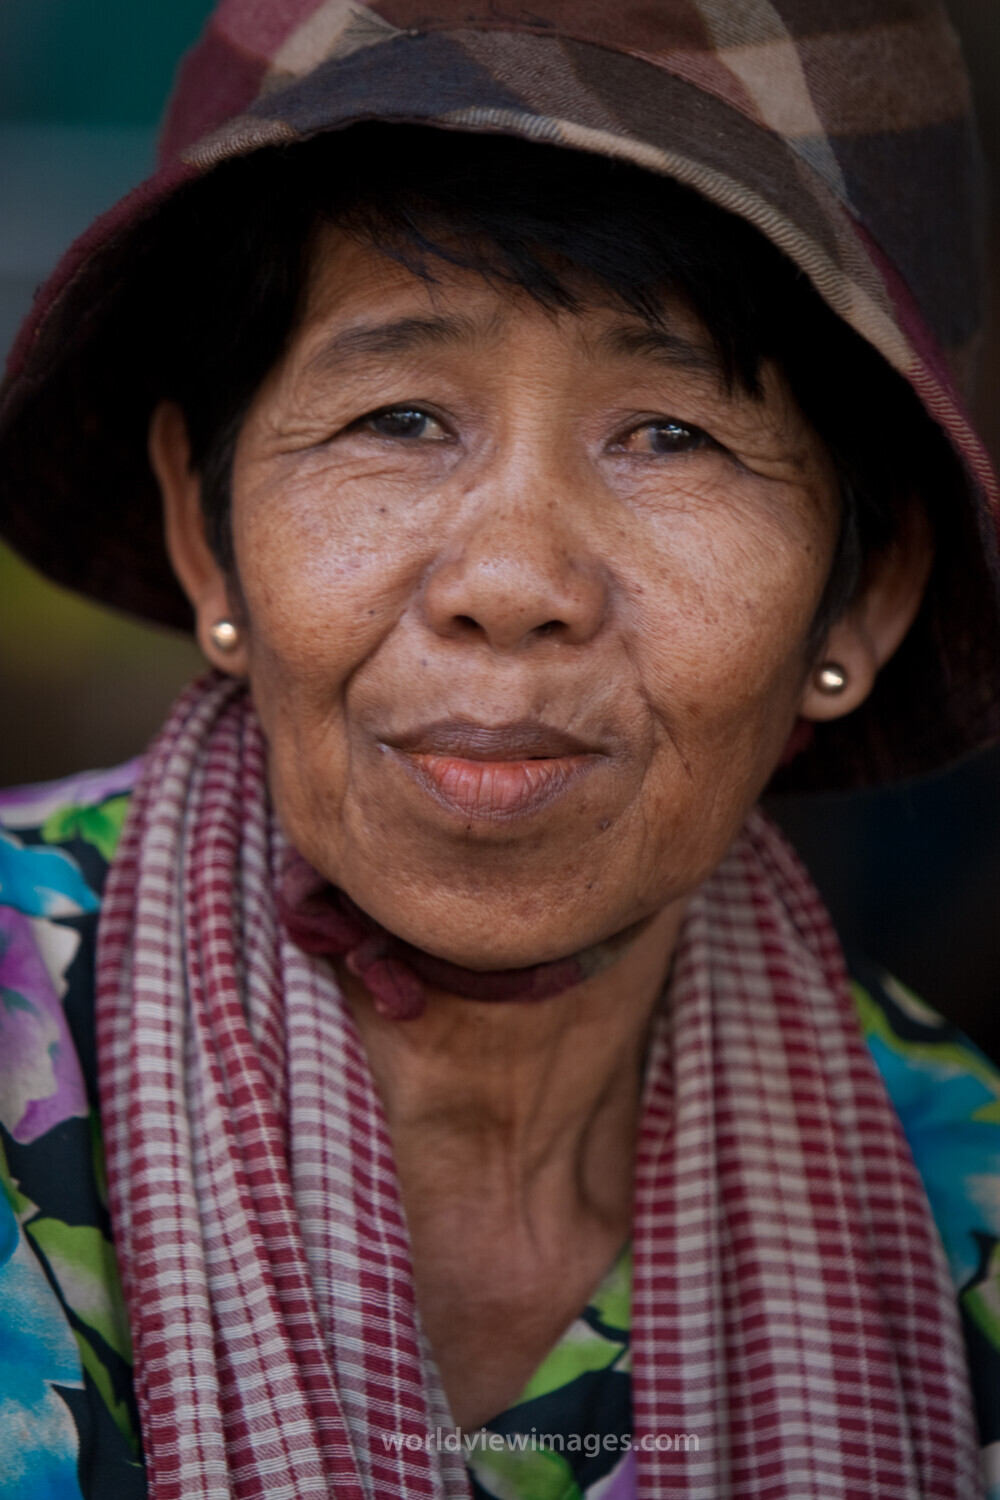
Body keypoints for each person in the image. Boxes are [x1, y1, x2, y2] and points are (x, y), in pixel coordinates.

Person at [1, 2, 998, 1497]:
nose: (514, 583)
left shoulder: (961, 1208)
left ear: (863, 589)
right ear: (209, 540)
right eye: (399, 416)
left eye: (672, 435)